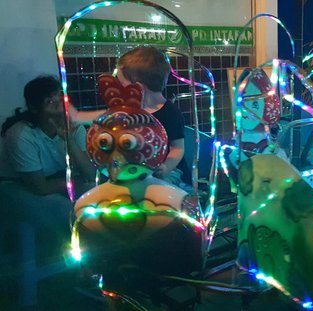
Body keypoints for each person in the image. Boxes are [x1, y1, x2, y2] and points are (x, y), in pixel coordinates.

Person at [73, 46, 191, 187]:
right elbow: (105, 116)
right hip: (134, 171)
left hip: (169, 172)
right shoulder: (127, 112)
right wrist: (78, 117)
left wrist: (166, 167)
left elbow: (178, 148)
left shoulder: (170, 113)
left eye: (122, 84)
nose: (119, 88)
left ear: (137, 88)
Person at [0, 75, 94, 246]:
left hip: (57, 180)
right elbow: (39, 187)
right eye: (51, 102)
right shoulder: (22, 135)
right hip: (16, 186)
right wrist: (76, 182)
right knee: (67, 209)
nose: (60, 106)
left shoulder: (75, 128)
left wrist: (69, 140)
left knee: (99, 196)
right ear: (35, 109)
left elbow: (90, 172)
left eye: (61, 98)